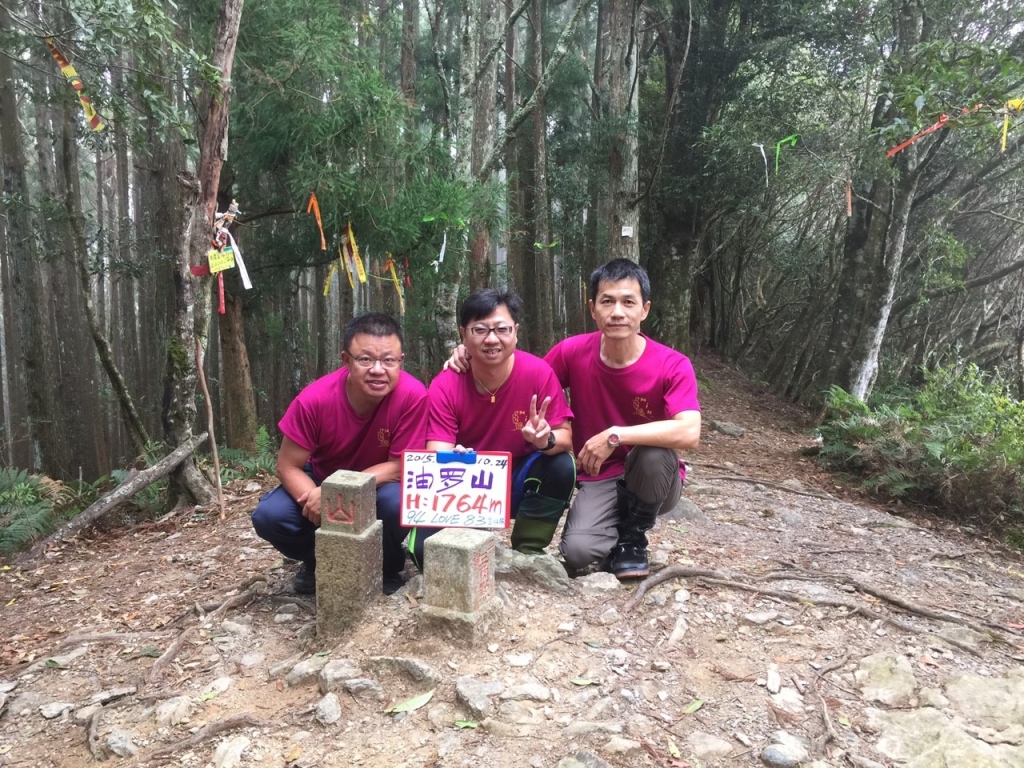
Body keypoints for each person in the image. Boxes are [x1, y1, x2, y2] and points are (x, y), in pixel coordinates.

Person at [448, 259, 700, 578]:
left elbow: (690, 431)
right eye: (607, 301)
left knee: (651, 454)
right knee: (578, 553)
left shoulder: (671, 364)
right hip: (600, 474)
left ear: (645, 309)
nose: (617, 312)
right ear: (593, 309)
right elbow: (527, 379)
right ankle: (615, 530)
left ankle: (633, 540)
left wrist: (616, 435)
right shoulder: (572, 352)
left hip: (656, 477)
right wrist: (473, 350)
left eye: (628, 302)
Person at [251, 312, 428, 595]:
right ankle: (318, 561)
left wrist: (339, 493)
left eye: (388, 361)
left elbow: (401, 466)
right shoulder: (315, 400)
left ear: (400, 362)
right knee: (270, 515)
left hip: (381, 485)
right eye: (365, 359)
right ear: (346, 360)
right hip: (321, 478)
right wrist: (319, 499)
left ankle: (385, 566)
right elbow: (287, 466)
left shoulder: (412, 395)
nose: (378, 370)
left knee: (397, 502)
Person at [411, 289, 576, 568]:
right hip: (467, 484)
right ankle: (471, 536)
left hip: (518, 478)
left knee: (562, 466)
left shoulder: (537, 372)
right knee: (425, 554)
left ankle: (527, 548)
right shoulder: (446, 384)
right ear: (464, 334)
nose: (491, 339)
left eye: (501, 329)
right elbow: (437, 452)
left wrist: (543, 440)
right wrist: (455, 457)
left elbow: (565, 437)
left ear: (515, 332)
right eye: (480, 330)